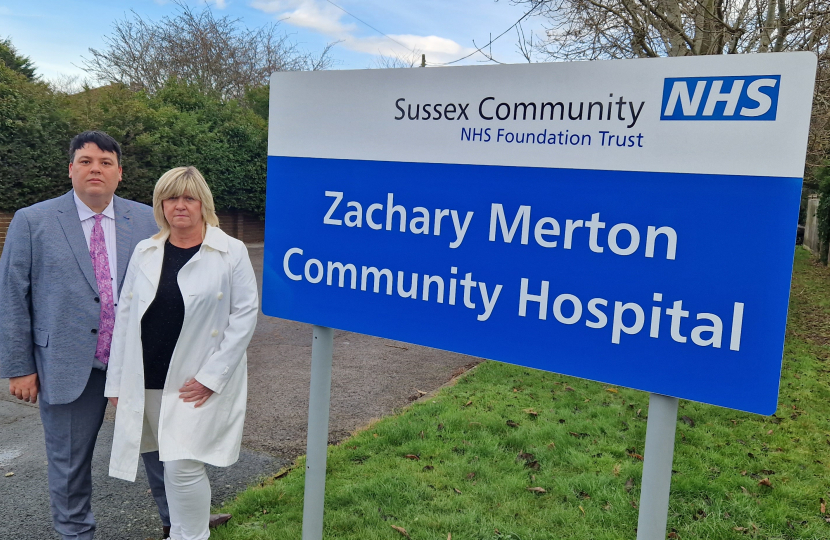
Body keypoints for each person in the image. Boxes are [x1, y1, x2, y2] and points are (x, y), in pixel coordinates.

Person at [0, 131, 172, 539]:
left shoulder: (147, 219)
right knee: (70, 461)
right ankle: (76, 532)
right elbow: (11, 296)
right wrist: (19, 367)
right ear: (71, 169)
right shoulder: (32, 220)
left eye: (105, 162)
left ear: (119, 173)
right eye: (86, 161)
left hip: (138, 361)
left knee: (162, 449)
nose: (96, 168)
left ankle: (180, 518)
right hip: (67, 362)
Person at [105, 166, 258, 540]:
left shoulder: (230, 251)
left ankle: (189, 536)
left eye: (189, 198)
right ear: (160, 205)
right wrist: (117, 381)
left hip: (195, 381)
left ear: (203, 204)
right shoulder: (146, 249)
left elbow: (245, 315)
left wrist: (211, 378)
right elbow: (125, 318)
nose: (180, 205)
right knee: (164, 458)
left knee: (182, 467)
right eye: (171, 198)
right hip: (148, 377)